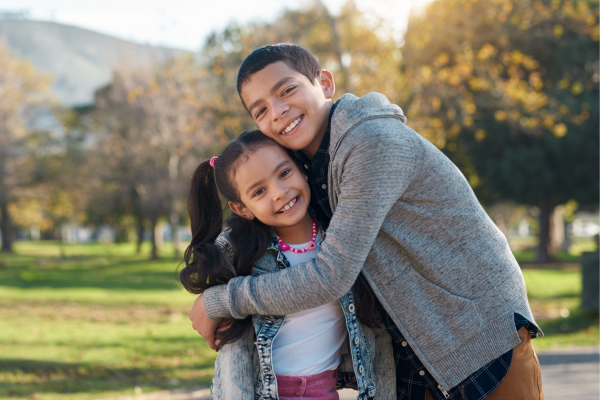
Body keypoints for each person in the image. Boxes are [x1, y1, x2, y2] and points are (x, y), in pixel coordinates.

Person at [190, 43, 545, 399]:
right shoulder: (301, 167)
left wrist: (219, 301)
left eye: (287, 90)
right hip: (416, 352)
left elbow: (332, 274)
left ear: (324, 83)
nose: (278, 111)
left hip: (478, 336)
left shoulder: (371, 143)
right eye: (261, 110)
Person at [179, 130, 395, 400]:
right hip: (260, 392)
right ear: (242, 209)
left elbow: (376, 333)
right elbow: (230, 348)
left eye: (284, 173)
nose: (279, 193)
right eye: (259, 191)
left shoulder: (342, 240)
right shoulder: (238, 252)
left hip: (323, 391)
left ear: (300, 168)